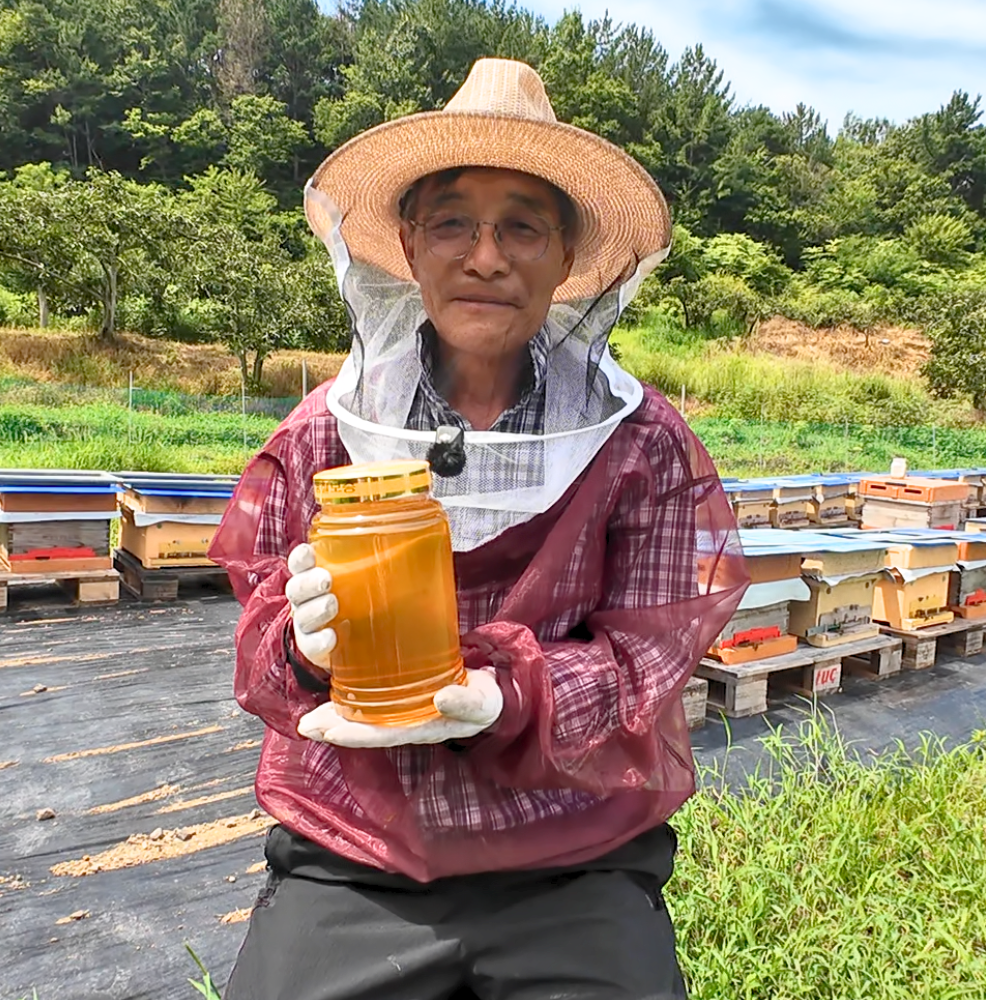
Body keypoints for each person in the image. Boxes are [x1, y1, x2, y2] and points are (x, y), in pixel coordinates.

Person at [210, 58, 747, 1000]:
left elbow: (650, 659)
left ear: (567, 258)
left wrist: (511, 697)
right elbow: (259, 637)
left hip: (571, 848)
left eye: (522, 227)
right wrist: (301, 645)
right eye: (453, 222)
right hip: (358, 843)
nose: (486, 257)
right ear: (409, 246)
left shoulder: (644, 444)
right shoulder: (324, 434)